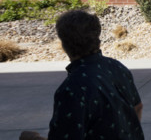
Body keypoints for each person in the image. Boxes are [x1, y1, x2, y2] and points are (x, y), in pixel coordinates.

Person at [20, 9, 144, 140]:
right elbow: (138, 107)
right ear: (97, 37)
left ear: (64, 44)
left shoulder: (71, 89)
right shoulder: (117, 67)